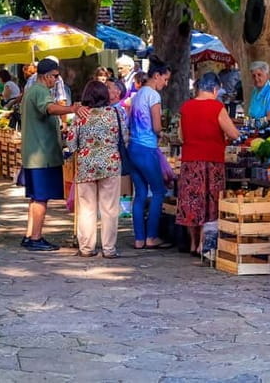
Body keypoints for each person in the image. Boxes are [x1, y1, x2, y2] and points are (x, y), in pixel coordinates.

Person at [20, 58, 89, 251]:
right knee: (41, 197)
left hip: (34, 154)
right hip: (42, 155)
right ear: (47, 75)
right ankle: (36, 237)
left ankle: (29, 235)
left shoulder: (31, 91)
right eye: (56, 76)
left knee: (35, 197)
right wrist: (72, 109)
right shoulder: (41, 91)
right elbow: (49, 108)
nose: (57, 80)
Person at [176, 73, 240, 255]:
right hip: (212, 161)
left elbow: (181, 136)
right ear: (214, 89)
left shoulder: (186, 107)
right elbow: (234, 133)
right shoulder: (217, 107)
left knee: (192, 202)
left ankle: (192, 243)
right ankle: (203, 244)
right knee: (209, 202)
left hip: (190, 161)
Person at [65, 80, 126, 258]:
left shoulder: (80, 115)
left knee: (86, 208)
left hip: (86, 166)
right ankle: (109, 249)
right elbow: (125, 136)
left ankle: (86, 247)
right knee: (110, 208)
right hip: (111, 164)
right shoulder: (116, 113)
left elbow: (70, 144)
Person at [128, 55, 172, 250]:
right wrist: (163, 133)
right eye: (165, 79)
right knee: (159, 191)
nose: (166, 83)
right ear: (156, 75)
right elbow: (156, 125)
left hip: (134, 148)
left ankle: (139, 238)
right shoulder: (154, 95)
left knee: (140, 194)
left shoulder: (138, 94)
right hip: (147, 149)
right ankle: (152, 236)